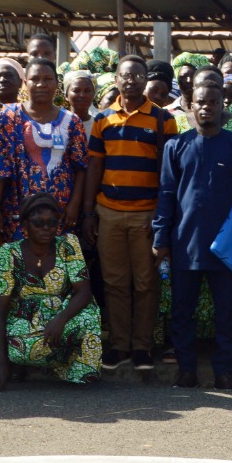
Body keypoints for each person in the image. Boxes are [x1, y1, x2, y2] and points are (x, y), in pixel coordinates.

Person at [154, 80, 232, 389]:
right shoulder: (176, 146)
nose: (206, 108)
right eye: (200, 103)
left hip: (227, 245)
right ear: (191, 107)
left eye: (213, 103)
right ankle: (186, 370)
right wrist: (160, 240)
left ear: (222, 107)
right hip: (184, 243)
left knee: (226, 312)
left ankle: (224, 370)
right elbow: (165, 194)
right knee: (182, 312)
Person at [82, 54, 179, 372]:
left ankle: (142, 347)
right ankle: (119, 345)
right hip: (108, 212)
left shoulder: (163, 119)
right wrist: (88, 213)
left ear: (145, 80)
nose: (132, 80)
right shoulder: (102, 120)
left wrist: (163, 214)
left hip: (146, 214)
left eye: (138, 76)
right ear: (116, 79)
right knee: (114, 282)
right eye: (126, 75)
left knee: (147, 282)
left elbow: (169, 171)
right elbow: (95, 166)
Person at [0, 194, 103, 391]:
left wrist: (60, 319)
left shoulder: (68, 245)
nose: (46, 228)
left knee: (89, 318)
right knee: (22, 351)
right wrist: (2, 364)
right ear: (25, 225)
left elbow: (84, 293)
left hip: (62, 313)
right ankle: (21, 364)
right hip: (26, 319)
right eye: (39, 223)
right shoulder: (8, 254)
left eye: (52, 223)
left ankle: (74, 370)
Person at [0, 58, 88, 245]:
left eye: (47, 79)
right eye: (35, 79)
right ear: (25, 84)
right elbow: (0, 167)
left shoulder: (72, 121)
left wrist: (74, 205)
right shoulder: (8, 117)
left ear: (56, 84)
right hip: (19, 209)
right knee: (21, 264)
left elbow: (81, 167)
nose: (41, 84)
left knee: (59, 264)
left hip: (62, 210)